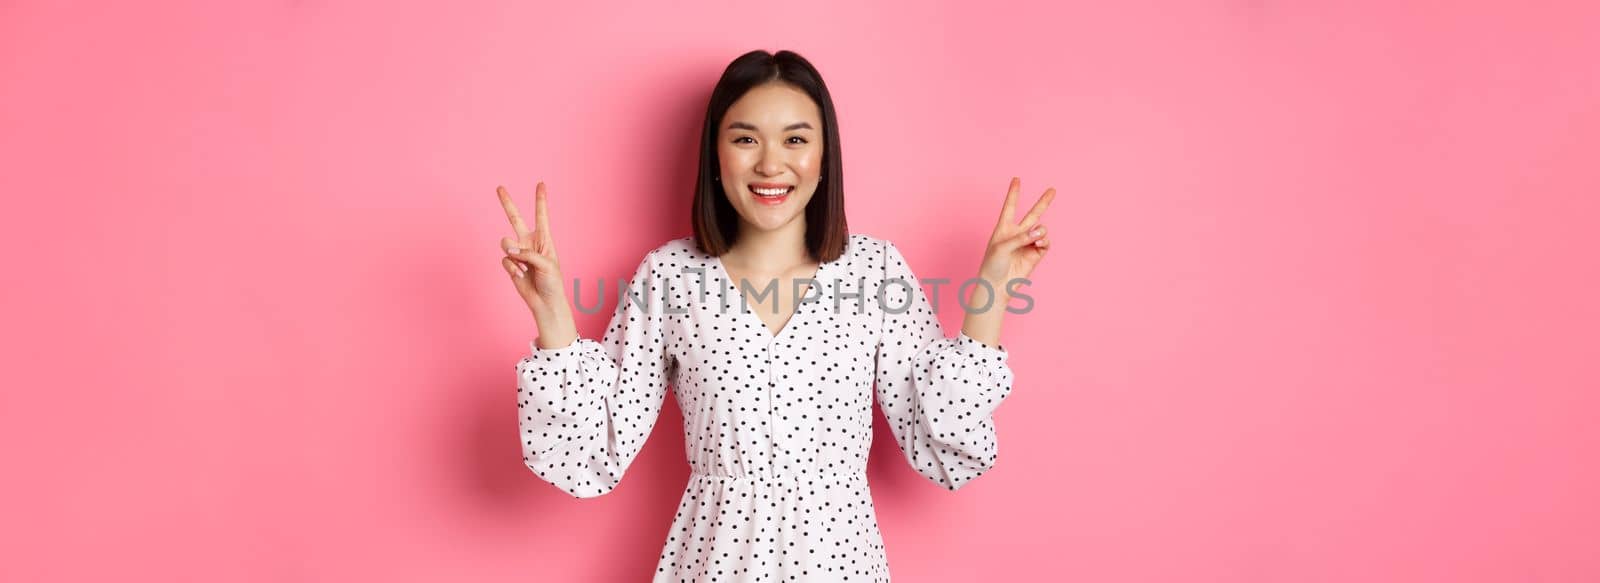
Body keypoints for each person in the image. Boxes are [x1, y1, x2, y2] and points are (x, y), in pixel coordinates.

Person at [495, 49, 1055, 582]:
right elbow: (593, 449)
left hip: (840, 564)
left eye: (795, 139)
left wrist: (995, 289)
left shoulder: (877, 271)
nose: (770, 163)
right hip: (714, 561)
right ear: (716, 154)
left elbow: (942, 441)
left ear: (823, 156)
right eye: (745, 138)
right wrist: (552, 316)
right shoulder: (669, 277)